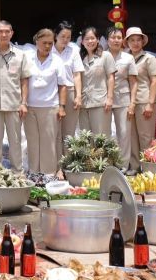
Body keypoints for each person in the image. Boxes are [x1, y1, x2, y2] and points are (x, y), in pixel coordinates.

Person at [0, 20, 31, 172]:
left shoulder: (20, 55)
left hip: (14, 105)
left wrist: (24, 103)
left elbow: (24, 80)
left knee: (15, 141)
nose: (4, 34)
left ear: (12, 33)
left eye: (7, 31)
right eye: (0, 31)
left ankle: (17, 171)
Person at [24, 29, 69, 174]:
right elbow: (23, 81)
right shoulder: (28, 58)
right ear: (36, 42)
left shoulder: (57, 61)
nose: (47, 46)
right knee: (32, 141)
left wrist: (62, 107)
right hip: (30, 107)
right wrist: (23, 103)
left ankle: (48, 175)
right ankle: (34, 173)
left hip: (50, 107)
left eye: (50, 43)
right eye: (44, 43)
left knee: (48, 143)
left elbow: (62, 85)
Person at [126, 27, 156, 172]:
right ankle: (134, 166)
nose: (135, 43)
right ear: (127, 42)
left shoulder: (149, 58)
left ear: (143, 42)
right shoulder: (125, 58)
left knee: (146, 137)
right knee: (131, 136)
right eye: (132, 40)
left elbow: (155, 81)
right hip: (128, 102)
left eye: (138, 40)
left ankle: (148, 169)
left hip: (144, 101)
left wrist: (150, 104)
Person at [52, 21, 84, 159]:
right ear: (55, 35)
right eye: (63, 36)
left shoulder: (73, 50)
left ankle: (67, 163)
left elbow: (77, 74)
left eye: (68, 37)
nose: (65, 40)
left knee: (68, 131)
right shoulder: (48, 49)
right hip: (52, 93)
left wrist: (78, 95)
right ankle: (55, 163)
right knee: (54, 130)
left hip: (70, 92)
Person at [107, 27, 138, 168]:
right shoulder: (101, 56)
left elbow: (133, 82)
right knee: (105, 134)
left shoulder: (128, 57)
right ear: (107, 40)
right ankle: (106, 165)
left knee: (124, 134)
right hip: (104, 100)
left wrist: (132, 104)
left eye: (119, 37)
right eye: (113, 37)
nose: (116, 40)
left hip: (123, 100)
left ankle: (123, 166)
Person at [79, 27, 116, 135]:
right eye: (87, 39)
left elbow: (111, 77)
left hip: (100, 102)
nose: (90, 41)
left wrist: (109, 98)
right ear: (82, 41)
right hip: (83, 104)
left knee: (101, 138)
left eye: (92, 38)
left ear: (98, 39)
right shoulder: (80, 58)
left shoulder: (105, 56)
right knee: (85, 140)